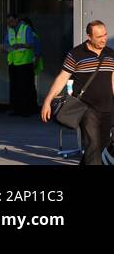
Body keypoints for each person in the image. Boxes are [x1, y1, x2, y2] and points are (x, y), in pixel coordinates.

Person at [42, 20, 114, 165]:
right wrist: (47, 101)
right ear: (89, 36)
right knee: (93, 143)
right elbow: (62, 78)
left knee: (101, 146)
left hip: (108, 107)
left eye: (105, 35)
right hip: (86, 108)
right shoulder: (76, 54)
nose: (104, 39)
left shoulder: (110, 54)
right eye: (99, 36)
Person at [5, 14, 42, 117]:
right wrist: (5, 47)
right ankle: (16, 109)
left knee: (25, 87)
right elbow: (6, 43)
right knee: (14, 87)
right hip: (13, 62)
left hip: (25, 62)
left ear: (17, 20)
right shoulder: (10, 30)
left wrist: (20, 45)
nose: (9, 24)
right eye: (8, 22)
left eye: (11, 21)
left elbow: (31, 44)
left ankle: (27, 109)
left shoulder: (26, 29)